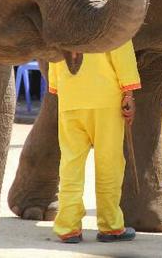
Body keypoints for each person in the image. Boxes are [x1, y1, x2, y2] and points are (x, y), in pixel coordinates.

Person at [49, 40, 140, 244]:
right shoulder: (110, 13)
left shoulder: (63, 17)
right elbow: (121, 50)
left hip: (70, 99)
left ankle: (68, 227)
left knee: (70, 165)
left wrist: (58, 85)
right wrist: (129, 93)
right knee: (109, 164)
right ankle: (111, 227)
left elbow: (54, 57)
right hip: (105, 100)